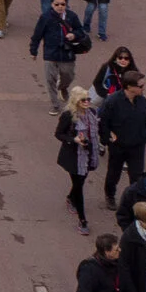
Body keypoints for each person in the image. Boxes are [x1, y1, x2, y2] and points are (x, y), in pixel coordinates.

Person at [98, 69, 146, 208]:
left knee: (137, 176)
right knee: (114, 173)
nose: (143, 88)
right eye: (140, 86)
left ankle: (134, 200)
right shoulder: (113, 101)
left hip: (137, 146)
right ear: (129, 87)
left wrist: (145, 136)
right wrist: (107, 140)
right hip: (118, 146)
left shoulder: (143, 101)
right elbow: (103, 122)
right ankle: (110, 195)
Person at [32, 0, 91, 113]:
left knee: (69, 76)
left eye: (62, 4)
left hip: (67, 53)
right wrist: (33, 51)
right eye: (57, 4)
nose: (60, 7)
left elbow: (80, 30)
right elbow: (37, 35)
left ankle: (63, 87)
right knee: (50, 79)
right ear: (52, 5)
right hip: (50, 54)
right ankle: (55, 105)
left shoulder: (71, 16)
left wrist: (73, 35)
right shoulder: (45, 18)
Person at [56, 85, 100, 226]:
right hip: (74, 156)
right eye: (83, 100)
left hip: (89, 153)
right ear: (76, 101)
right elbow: (58, 134)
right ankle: (82, 220)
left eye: (88, 99)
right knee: (79, 185)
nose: (87, 102)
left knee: (80, 181)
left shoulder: (92, 113)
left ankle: (70, 197)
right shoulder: (68, 115)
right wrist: (73, 140)